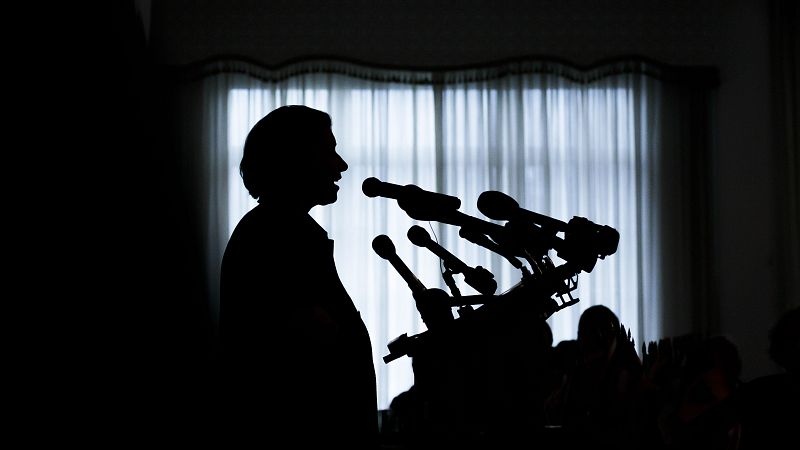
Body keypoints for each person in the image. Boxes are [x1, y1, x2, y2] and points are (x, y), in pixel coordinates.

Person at [218, 105, 379, 448]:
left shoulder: (276, 229)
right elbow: (308, 352)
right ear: (295, 158)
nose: (342, 166)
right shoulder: (277, 234)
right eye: (329, 152)